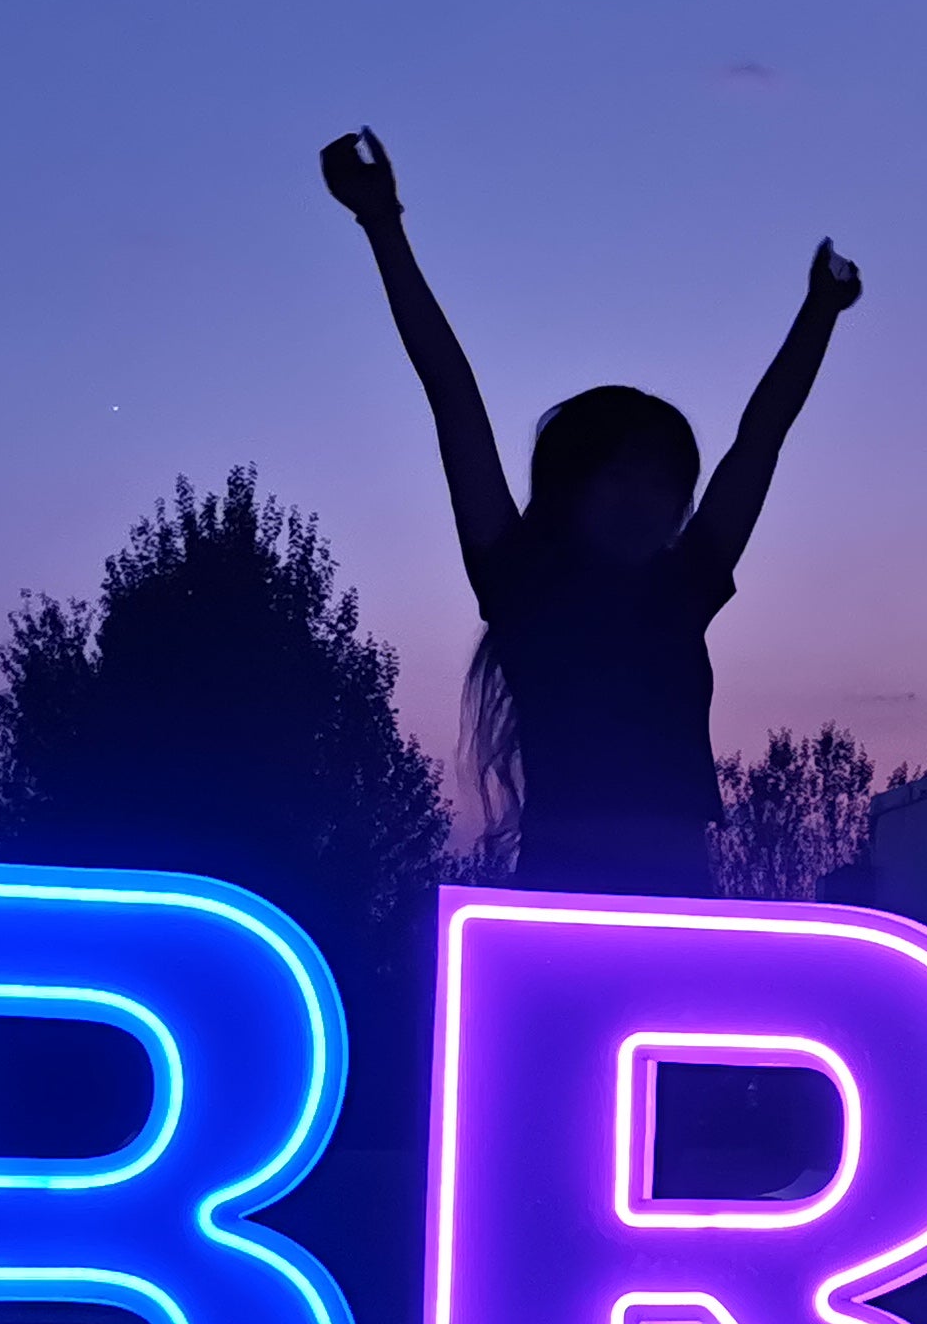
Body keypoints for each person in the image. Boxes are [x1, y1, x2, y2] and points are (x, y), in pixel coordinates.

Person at [320, 126, 861, 892]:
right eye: (621, 475)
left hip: (679, 883)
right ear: (570, 483)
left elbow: (761, 438)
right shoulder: (521, 579)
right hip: (562, 879)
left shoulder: (682, 585)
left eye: (665, 482)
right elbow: (452, 395)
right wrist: (382, 222)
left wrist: (820, 313)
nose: (646, 499)